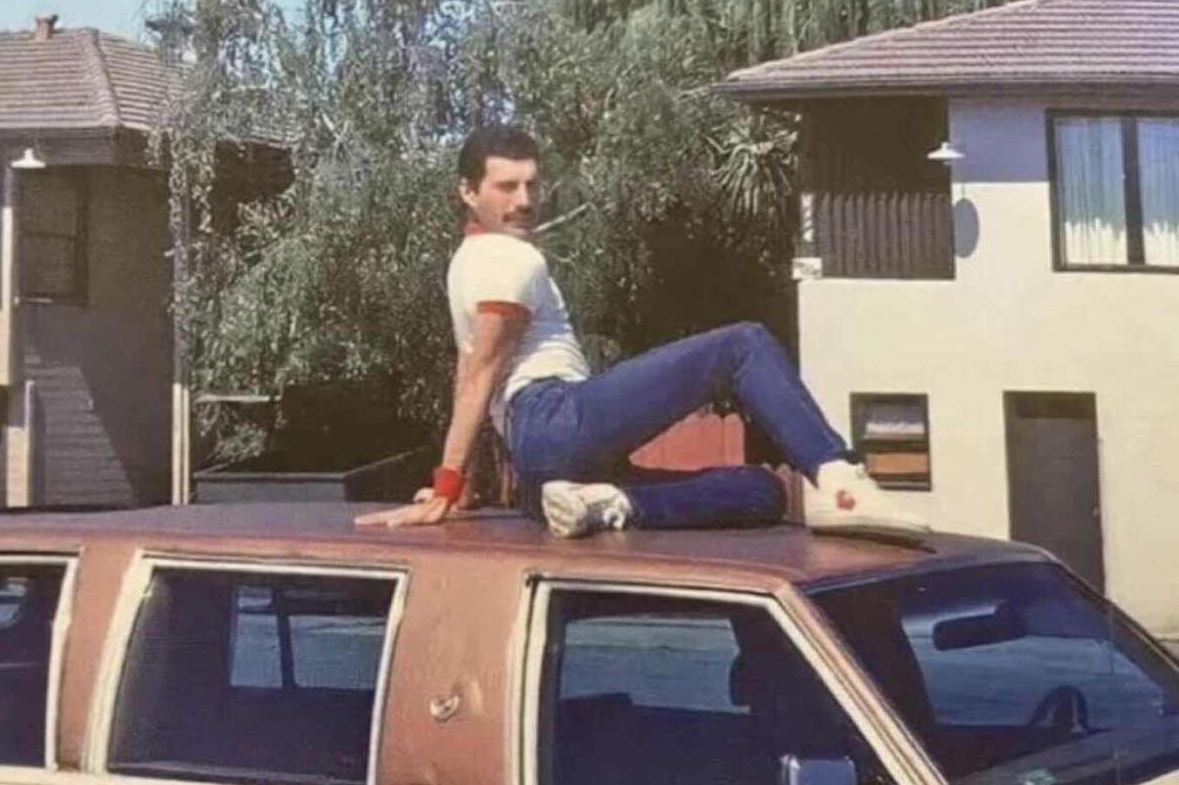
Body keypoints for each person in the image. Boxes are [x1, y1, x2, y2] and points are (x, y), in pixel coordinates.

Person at [356, 124, 927, 538]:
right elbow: (479, 374)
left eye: (532, 185)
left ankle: (606, 502)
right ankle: (843, 482)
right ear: (467, 191)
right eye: (506, 187)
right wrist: (448, 485)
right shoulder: (511, 259)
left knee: (762, 491)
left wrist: (463, 486)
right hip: (554, 418)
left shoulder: (467, 263)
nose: (524, 201)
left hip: (544, 468)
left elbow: (468, 375)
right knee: (744, 345)